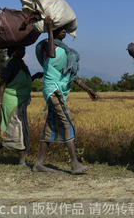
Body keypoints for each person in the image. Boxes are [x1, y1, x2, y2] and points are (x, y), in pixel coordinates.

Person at [32, 18, 99, 174]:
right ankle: (75, 164)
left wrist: (87, 89)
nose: (65, 32)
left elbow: (71, 74)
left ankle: (38, 164)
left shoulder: (66, 51)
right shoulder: (49, 47)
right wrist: (49, 28)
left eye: (65, 30)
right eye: (62, 29)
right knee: (67, 121)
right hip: (52, 90)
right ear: (54, 30)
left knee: (50, 126)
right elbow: (51, 53)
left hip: (60, 92)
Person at [0, 46, 42, 166]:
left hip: (21, 102)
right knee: (17, 130)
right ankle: (22, 161)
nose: (24, 51)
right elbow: (2, 85)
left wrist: (34, 77)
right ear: (13, 51)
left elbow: (23, 82)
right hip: (11, 103)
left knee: (16, 130)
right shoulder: (8, 66)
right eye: (21, 49)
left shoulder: (22, 65)